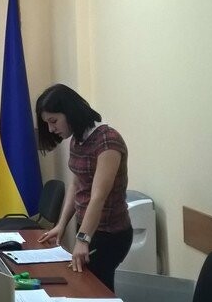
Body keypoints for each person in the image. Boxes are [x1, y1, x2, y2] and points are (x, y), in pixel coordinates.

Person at [35, 84, 132, 291]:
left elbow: (98, 196)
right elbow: (76, 184)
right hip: (88, 229)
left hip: (109, 233)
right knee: (85, 286)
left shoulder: (107, 141)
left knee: (95, 289)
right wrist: (62, 225)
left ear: (69, 112)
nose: (51, 129)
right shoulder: (77, 140)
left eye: (54, 121)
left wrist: (83, 239)